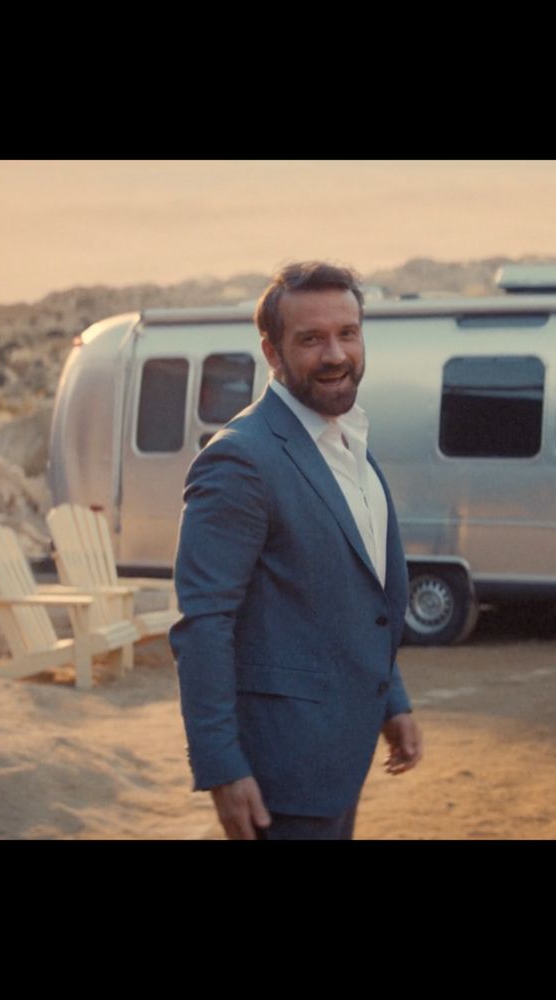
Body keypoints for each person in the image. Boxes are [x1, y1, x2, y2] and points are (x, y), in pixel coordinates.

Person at [171, 260, 422, 840]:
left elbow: (356, 595)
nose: (335, 354)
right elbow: (203, 623)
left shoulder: (347, 439)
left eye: (347, 333)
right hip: (279, 771)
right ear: (272, 351)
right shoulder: (241, 460)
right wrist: (221, 766)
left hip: (337, 757)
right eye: (311, 339)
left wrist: (393, 701)